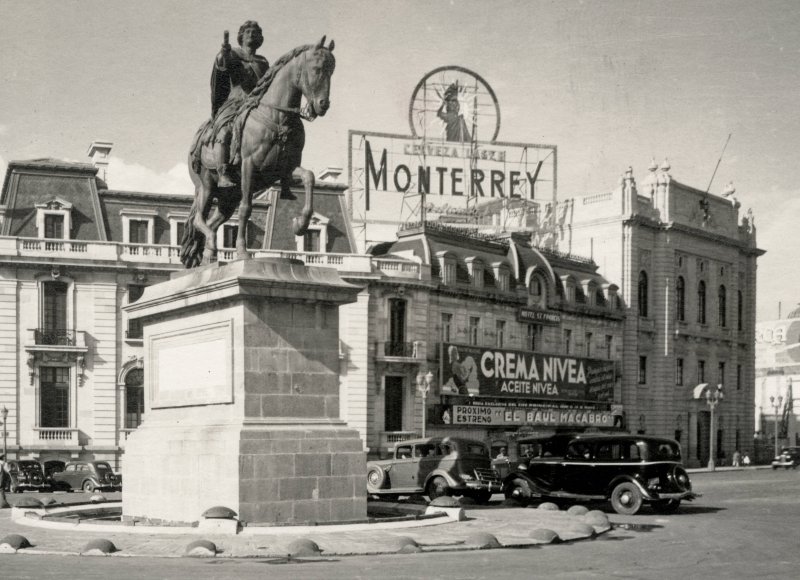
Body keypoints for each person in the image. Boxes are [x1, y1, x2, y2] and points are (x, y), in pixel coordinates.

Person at [207, 21, 270, 186]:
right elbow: (222, 65)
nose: (251, 34)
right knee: (225, 130)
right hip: (235, 102)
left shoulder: (262, 62)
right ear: (241, 36)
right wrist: (223, 53)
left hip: (257, 104)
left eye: (255, 32)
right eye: (248, 31)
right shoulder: (232, 54)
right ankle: (223, 174)